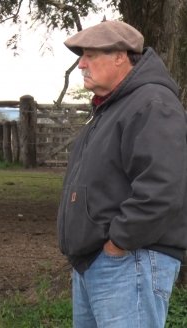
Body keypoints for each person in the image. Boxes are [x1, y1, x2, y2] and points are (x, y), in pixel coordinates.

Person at [57, 20, 187, 327]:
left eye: (90, 55)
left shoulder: (151, 103)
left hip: (131, 260)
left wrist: (118, 244)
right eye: (81, 57)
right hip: (99, 262)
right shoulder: (113, 107)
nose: (82, 65)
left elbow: (162, 188)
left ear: (120, 56)